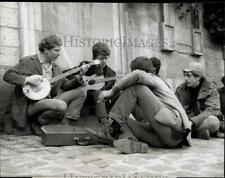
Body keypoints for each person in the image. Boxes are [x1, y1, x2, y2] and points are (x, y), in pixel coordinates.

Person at [90, 56, 192, 154]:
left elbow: (137, 75)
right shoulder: (149, 90)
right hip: (162, 138)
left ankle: (110, 128)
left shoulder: (155, 79)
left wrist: (111, 92)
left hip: (173, 131)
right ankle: (131, 141)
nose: (131, 75)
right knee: (122, 120)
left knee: (135, 88)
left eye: (131, 72)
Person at [3, 34, 88, 135]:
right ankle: (39, 121)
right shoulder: (28, 61)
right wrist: (27, 79)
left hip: (49, 101)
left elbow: (66, 85)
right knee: (60, 105)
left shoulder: (56, 67)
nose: (59, 54)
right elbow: (8, 75)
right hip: (31, 105)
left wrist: (79, 77)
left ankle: (65, 124)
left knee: (81, 92)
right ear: (46, 49)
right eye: (56, 50)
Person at [175, 62, 220, 140]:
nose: (185, 79)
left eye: (188, 76)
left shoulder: (210, 88)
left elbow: (212, 110)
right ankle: (196, 132)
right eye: (184, 75)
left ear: (198, 77)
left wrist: (193, 121)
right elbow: (175, 106)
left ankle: (188, 132)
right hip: (184, 120)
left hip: (200, 121)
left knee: (214, 122)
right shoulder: (180, 89)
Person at [78, 42, 118, 126]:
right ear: (93, 58)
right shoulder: (86, 65)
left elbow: (107, 92)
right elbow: (67, 74)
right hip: (84, 97)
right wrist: (80, 75)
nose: (104, 61)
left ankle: (106, 124)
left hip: (100, 99)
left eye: (106, 58)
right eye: (101, 59)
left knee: (99, 93)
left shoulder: (111, 74)